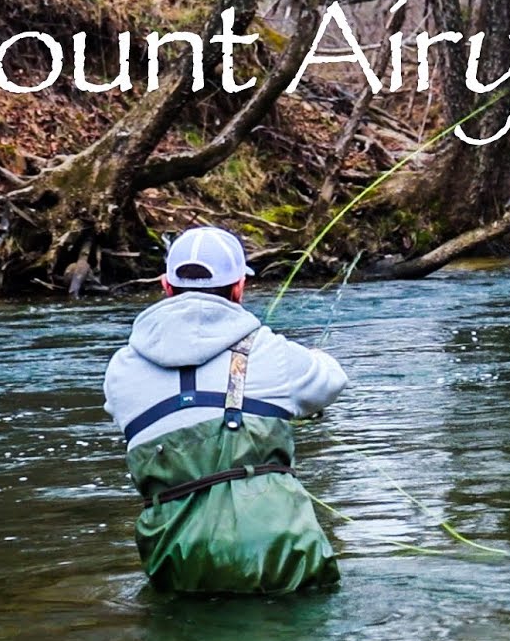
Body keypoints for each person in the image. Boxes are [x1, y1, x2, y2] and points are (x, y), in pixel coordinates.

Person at [103, 227, 347, 594]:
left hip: (179, 569)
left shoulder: (120, 370)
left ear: (166, 287)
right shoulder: (273, 352)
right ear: (238, 288)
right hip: (280, 561)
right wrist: (308, 358)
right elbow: (333, 381)